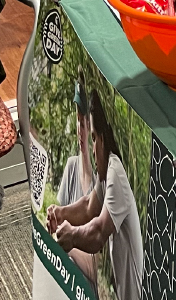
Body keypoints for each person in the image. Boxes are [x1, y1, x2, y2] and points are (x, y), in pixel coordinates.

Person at [48, 91, 143, 300]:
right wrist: (60, 212)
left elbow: (98, 232)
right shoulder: (106, 173)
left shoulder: (115, 173)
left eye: (93, 138)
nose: (92, 148)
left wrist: (72, 236)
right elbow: (88, 207)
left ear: (102, 137)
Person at [57, 76, 98, 290]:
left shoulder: (102, 185)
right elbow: (54, 227)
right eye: (77, 122)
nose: (79, 131)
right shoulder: (71, 167)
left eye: (84, 124)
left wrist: (69, 242)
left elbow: (98, 269)